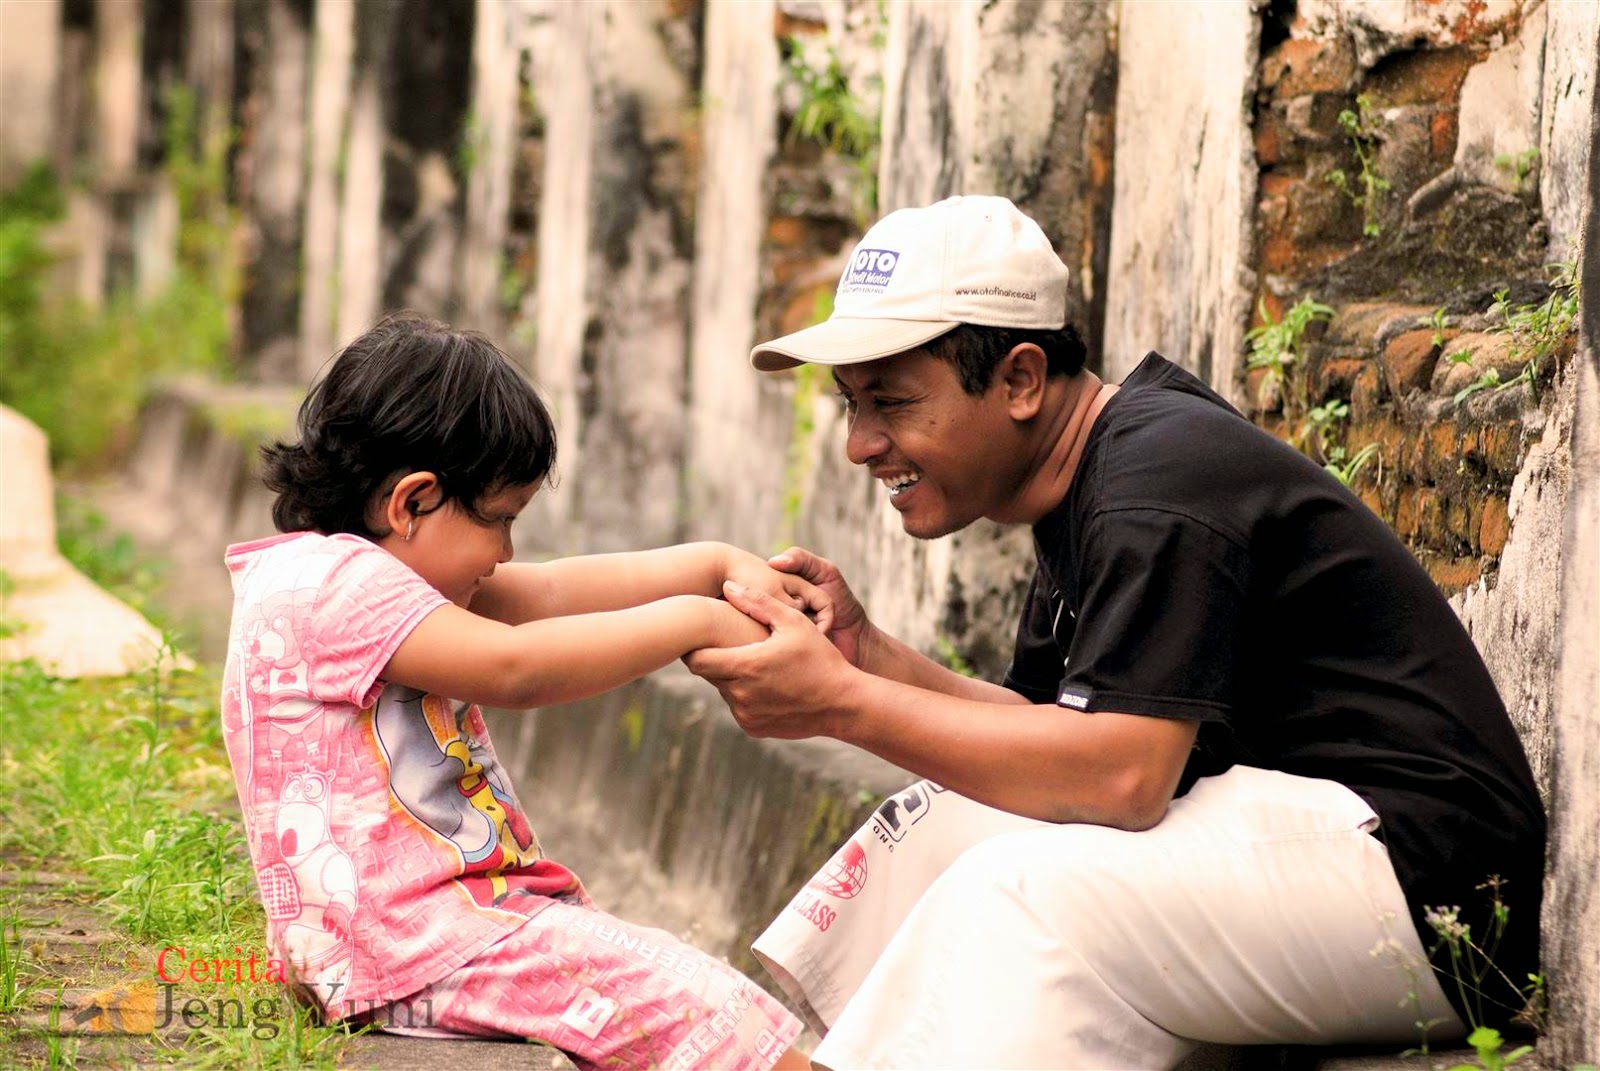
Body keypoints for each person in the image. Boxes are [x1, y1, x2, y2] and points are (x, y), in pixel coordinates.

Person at [686, 195, 1546, 1069]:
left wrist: (840, 702)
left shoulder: (1155, 480)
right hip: (1304, 845)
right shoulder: (1093, 479)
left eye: (893, 402)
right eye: (851, 405)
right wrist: (866, 657)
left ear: (1020, 379)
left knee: (1014, 891)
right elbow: (1046, 737)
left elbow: (1123, 775)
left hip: (1431, 888)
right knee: (950, 820)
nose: (861, 444)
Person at [219, 314, 812, 1070]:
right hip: (419, 945)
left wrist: (715, 563)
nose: (504, 553)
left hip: (418, 940)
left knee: (662, 984)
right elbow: (518, 667)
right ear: (412, 502)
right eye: (500, 520)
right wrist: (696, 620)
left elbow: (558, 588)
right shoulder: (343, 587)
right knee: (688, 1001)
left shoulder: (349, 575)